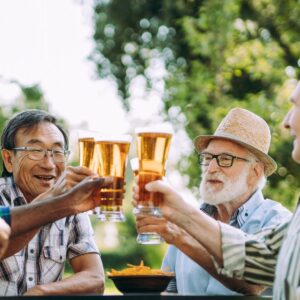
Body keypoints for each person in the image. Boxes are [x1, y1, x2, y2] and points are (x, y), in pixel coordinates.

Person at [134, 82, 300, 300]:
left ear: (255, 172)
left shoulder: (277, 220)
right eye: (208, 158)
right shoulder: (180, 224)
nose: (211, 167)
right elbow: (170, 291)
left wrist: (182, 219)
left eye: (225, 159)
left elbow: (255, 279)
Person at [0, 109, 105, 296]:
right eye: (35, 150)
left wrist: (42, 292)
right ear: (9, 159)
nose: (49, 164)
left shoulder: (71, 204)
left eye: (57, 152)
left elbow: (95, 279)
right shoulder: (67, 203)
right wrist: (57, 203)